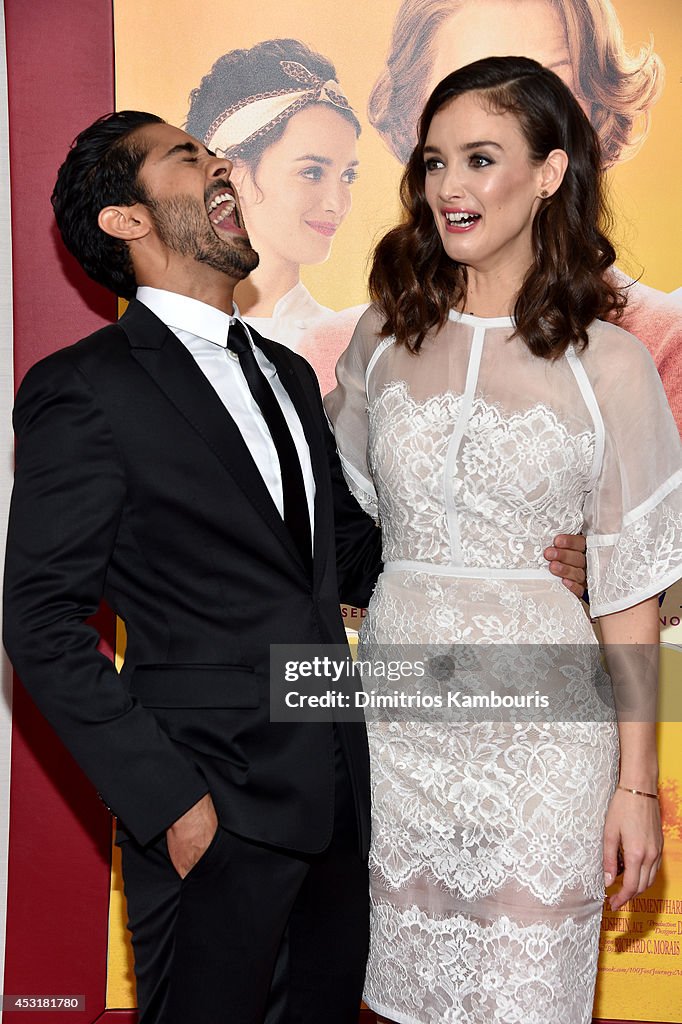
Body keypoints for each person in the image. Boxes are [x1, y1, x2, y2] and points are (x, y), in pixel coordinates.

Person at [2, 108, 585, 1023]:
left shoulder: (281, 368)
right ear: (126, 219)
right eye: (187, 157)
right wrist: (170, 805)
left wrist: (531, 555)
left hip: (340, 800)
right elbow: (37, 619)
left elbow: (350, 556)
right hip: (209, 809)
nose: (221, 165)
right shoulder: (86, 388)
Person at [325, 56, 682, 1023]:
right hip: (403, 728)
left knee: (529, 1000)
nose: (450, 187)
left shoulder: (609, 364)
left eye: (481, 159)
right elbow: (336, 503)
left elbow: (635, 586)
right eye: (435, 162)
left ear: (551, 173)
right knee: (400, 1000)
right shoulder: (383, 338)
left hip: (545, 739)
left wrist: (637, 788)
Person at [364, 0, 682, 428]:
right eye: (464, 90)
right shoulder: (360, 342)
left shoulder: (658, 346)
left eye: (545, 88)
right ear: (416, 129)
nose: (499, 131)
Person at [185, 38, 360, 391]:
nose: (337, 203)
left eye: (348, 176)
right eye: (312, 172)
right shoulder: (170, 340)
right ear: (234, 175)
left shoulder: (351, 344)